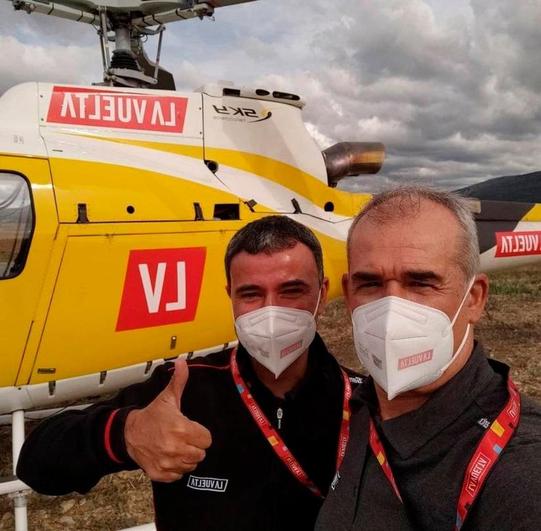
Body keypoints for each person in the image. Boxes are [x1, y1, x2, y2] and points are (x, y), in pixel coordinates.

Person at [17, 215, 358, 531]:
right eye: (251, 294)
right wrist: (127, 433)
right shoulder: (183, 388)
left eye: (291, 290)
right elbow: (36, 464)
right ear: (231, 298)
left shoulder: (362, 402)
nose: (271, 311)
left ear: (322, 294)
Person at [316, 185, 541, 531]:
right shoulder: (353, 408)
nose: (392, 311)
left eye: (421, 283)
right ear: (348, 295)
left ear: (474, 299)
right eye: (370, 284)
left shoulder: (519, 473)